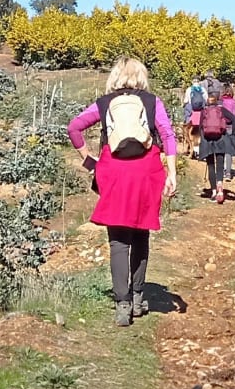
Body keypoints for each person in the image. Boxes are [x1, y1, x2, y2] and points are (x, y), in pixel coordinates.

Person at [66, 58, 178, 326]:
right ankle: (139, 298)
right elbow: (168, 134)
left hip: (113, 172)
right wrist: (172, 171)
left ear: (115, 76)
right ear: (141, 77)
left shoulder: (104, 103)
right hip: (146, 171)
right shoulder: (152, 102)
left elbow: (74, 127)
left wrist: (88, 160)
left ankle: (122, 305)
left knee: (118, 240)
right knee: (141, 233)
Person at [194, 80, 235, 204]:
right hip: (220, 139)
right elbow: (234, 119)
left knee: (210, 165)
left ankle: (214, 191)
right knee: (220, 163)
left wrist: (202, 139)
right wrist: (233, 134)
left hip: (207, 141)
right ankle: (221, 187)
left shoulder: (204, 112)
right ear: (217, 100)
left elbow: (200, 127)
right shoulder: (221, 110)